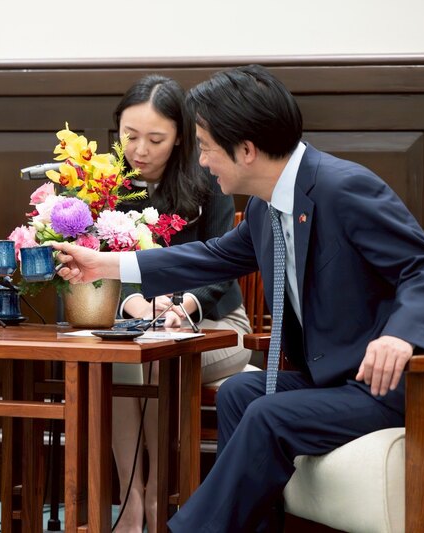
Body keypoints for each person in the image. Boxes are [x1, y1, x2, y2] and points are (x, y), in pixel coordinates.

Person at [52, 64, 424, 532]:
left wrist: (402, 336)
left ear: (246, 150)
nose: (201, 161)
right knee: (241, 393)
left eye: (205, 147)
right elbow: (213, 257)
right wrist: (106, 266)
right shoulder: (266, 205)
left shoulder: (344, 187)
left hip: (385, 386)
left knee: (266, 414)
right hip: (333, 380)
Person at [110, 74, 251, 532]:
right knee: (118, 359)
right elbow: (91, 269)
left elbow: (223, 265)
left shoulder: (210, 181)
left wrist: (184, 304)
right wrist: (130, 304)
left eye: (156, 139)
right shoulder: (102, 185)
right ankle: (131, 502)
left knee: (152, 358)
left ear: (180, 138)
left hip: (216, 323)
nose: (140, 150)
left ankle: (157, 497)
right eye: (129, 136)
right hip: (137, 331)